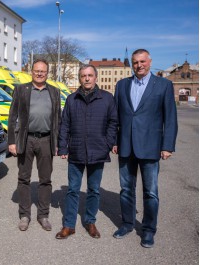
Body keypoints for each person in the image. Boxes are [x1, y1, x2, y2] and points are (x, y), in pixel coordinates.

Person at [112, 49, 178, 248]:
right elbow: (116, 117)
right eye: (135, 62)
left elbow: (171, 118)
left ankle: (149, 230)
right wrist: (115, 141)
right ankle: (127, 223)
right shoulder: (122, 85)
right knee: (125, 189)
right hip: (125, 146)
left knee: (150, 192)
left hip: (151, 146)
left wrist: (167, 146)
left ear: (149, 62)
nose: (139, 65)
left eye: (142, 61)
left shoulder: (164, 85)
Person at [55, 64, 118, 239]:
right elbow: (65, 124)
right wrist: (63, 147)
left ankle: (90, 221)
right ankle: (69, 225)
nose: (87, 78)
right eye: (83, 76)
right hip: (75, 151)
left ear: (95, 77)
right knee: (73, 190)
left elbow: (113, 122)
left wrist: (108, 143)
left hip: (98, 151)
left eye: (90, 75)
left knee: (94, 190)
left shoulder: (106, 98)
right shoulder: (71, 99)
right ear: (80, 78)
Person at [8, 58, 61, 231]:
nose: (39, 73)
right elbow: (12, 117)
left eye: (43, 71)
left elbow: (57, 120)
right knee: (24, 178)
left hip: (46, 140)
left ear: (47, 73)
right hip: (26, 139)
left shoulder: (54, 91)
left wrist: (58, 142)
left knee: (45, 179)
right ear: (32, 71)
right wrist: (11, 142)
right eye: (37, 70)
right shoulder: (21, 89)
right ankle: (24, 215)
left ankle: (43, 215)